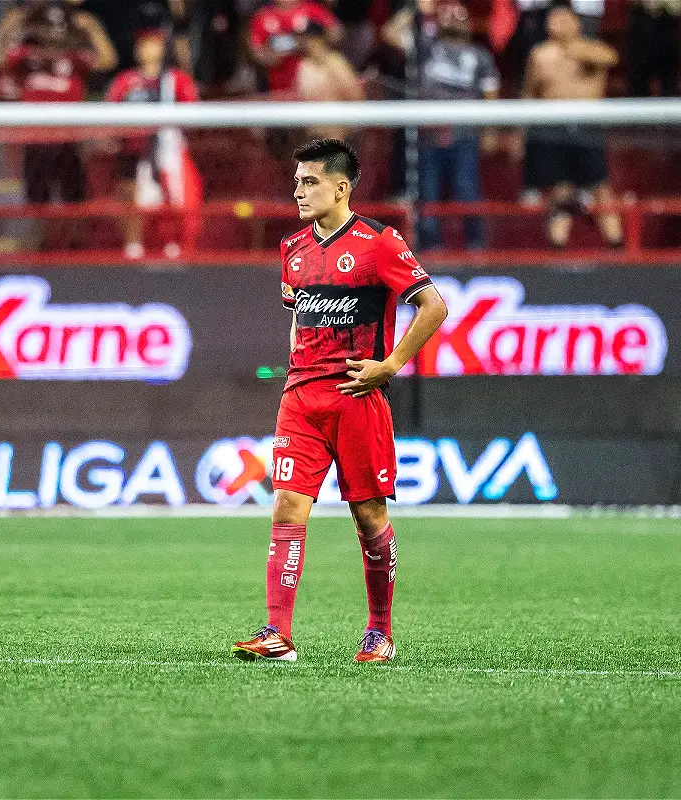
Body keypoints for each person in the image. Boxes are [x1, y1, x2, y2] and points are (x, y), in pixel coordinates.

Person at [230, 138, 449, 664]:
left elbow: (434, 306)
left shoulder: (380, 243)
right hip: (302, 397)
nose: (298, 191)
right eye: (297, 181)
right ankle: (278, 633)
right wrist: (295, 368)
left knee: (368, 515)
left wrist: (391, 364)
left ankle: (380, 632)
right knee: (286, 503)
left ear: (341, 187)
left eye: (310, 182)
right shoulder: (292, 249)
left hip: (357, 395)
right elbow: (297, 317)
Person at [0, 1, 116, 248]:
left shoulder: (75, 57)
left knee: (75, 195)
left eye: (57, 29)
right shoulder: (25, 57)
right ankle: (44, 246)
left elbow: (107, 60)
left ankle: (77, 247)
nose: (52, 36)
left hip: (71, 137)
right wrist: (11, 21)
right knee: (38, 197)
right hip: (36, 138)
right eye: (47, 29)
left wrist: (91, 27)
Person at [522, 0, 622, 248]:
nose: (560, 24)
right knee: (561, 192)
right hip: (552, 131)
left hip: (587, 130)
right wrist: (522, 134)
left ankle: (617, 246)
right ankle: (558, 250)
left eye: (565, 19)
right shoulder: (540, 54)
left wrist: (572, 48)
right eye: (554, 19)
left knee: (600, 188)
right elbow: (530, 94)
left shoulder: (592, 51)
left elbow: (611, 58)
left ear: (577, 22)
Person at [105, 29, 201, 260]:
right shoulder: (125, 81)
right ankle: (133, 248)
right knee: (132, 199)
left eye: (155, 44)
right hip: (132, 151)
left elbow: (193, 111)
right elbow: (109, 111)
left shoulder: (176, 79)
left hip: (168, 150)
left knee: (173, 197)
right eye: (145, 45)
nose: (150, 50)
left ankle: (173, 246)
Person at [414, 0, 499, 251]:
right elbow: (391, 36)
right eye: (448, 16)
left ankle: (476, 245)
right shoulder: (425, 48)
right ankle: (430, 246)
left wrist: (490, 131)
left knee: (467, 188)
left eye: (460, 16)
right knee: (427, 193)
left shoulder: (480, 56)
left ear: (470, 23)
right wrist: (418, 12)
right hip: (428, 134)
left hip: (464, 134)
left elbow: (490, 94)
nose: (454, 20)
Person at [249, 0, 340, 95]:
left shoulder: (311, 9)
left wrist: (316, 41)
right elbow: (257, 51)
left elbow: (336, 32)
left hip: (313, 83)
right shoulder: (262, 16)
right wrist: (272, 57)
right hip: (279, 87)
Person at [294, 19, 364, 140]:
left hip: (338, 130)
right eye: (303, 39)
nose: (307, 43)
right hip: (313, 133)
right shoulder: (304, 65)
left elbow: (356, 95)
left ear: (320, 39)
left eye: (311, 38)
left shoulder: (335, 62)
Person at [626, 0, 681, 97]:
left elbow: (679, 8)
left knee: (670, 80)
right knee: (638, 79)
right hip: (641, 23)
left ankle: (672, 110)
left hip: (668, 23)